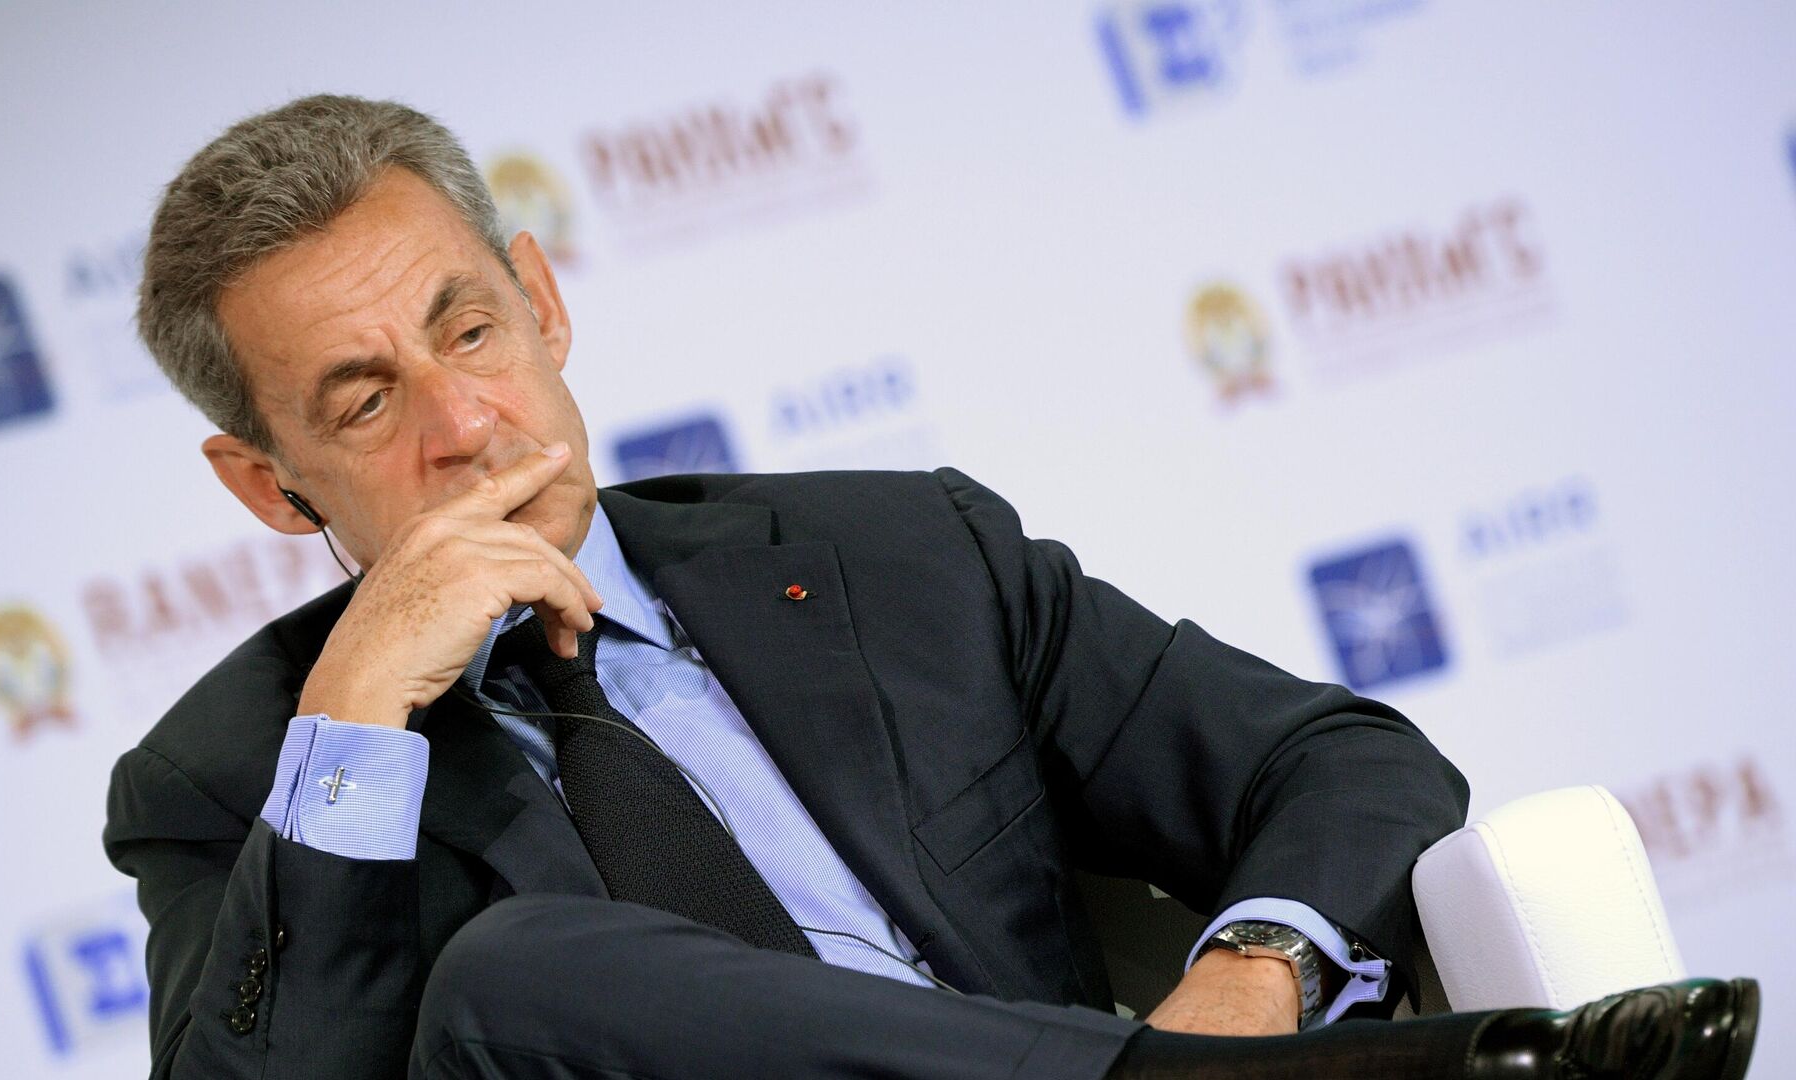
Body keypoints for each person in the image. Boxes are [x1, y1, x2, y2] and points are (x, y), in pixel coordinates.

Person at [103, 94, 1757, 1080]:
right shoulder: (227, 783)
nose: (464, 426)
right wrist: (354, 717)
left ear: (543, 302)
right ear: (267, 482)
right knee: (510, 971)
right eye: (364, 402)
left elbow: (1340, 763)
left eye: (469, 329)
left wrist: (1252, 979)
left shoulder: (895, 561)